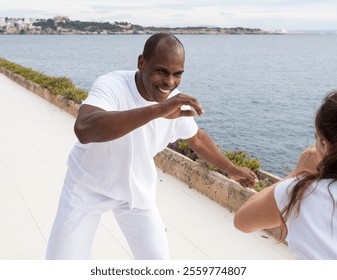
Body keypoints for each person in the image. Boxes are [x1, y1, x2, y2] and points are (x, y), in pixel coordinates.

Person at [46, 32, 257, 260]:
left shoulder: (174, 101)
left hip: (135, 190)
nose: (169, 82)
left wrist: (231, 168)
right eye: (161, 71)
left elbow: (196, 138)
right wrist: (157, 111)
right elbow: (85, 129)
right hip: (87, 186)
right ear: (141, 62)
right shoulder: (113, 84)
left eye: (178, 74)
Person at [234, 90, 337, 259]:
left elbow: (242, 220)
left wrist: (297, 174)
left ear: (325, 145)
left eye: (316, 137)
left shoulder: (302, 193)